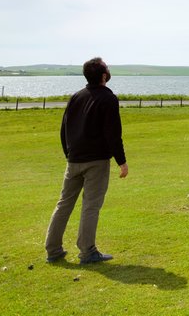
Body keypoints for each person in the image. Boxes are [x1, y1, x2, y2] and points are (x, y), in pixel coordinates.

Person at [44, 57, 128, 265]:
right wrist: (122, 161)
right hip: (96, 161)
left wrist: (69, 154)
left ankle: (53, 249)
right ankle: (87, 251)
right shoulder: (108, 98)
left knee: (64, 204)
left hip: (74, 160)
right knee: (91, 205)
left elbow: (64, 129)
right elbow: (113, 133)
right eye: (107, 69)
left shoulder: (76, 97)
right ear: (103, 75)